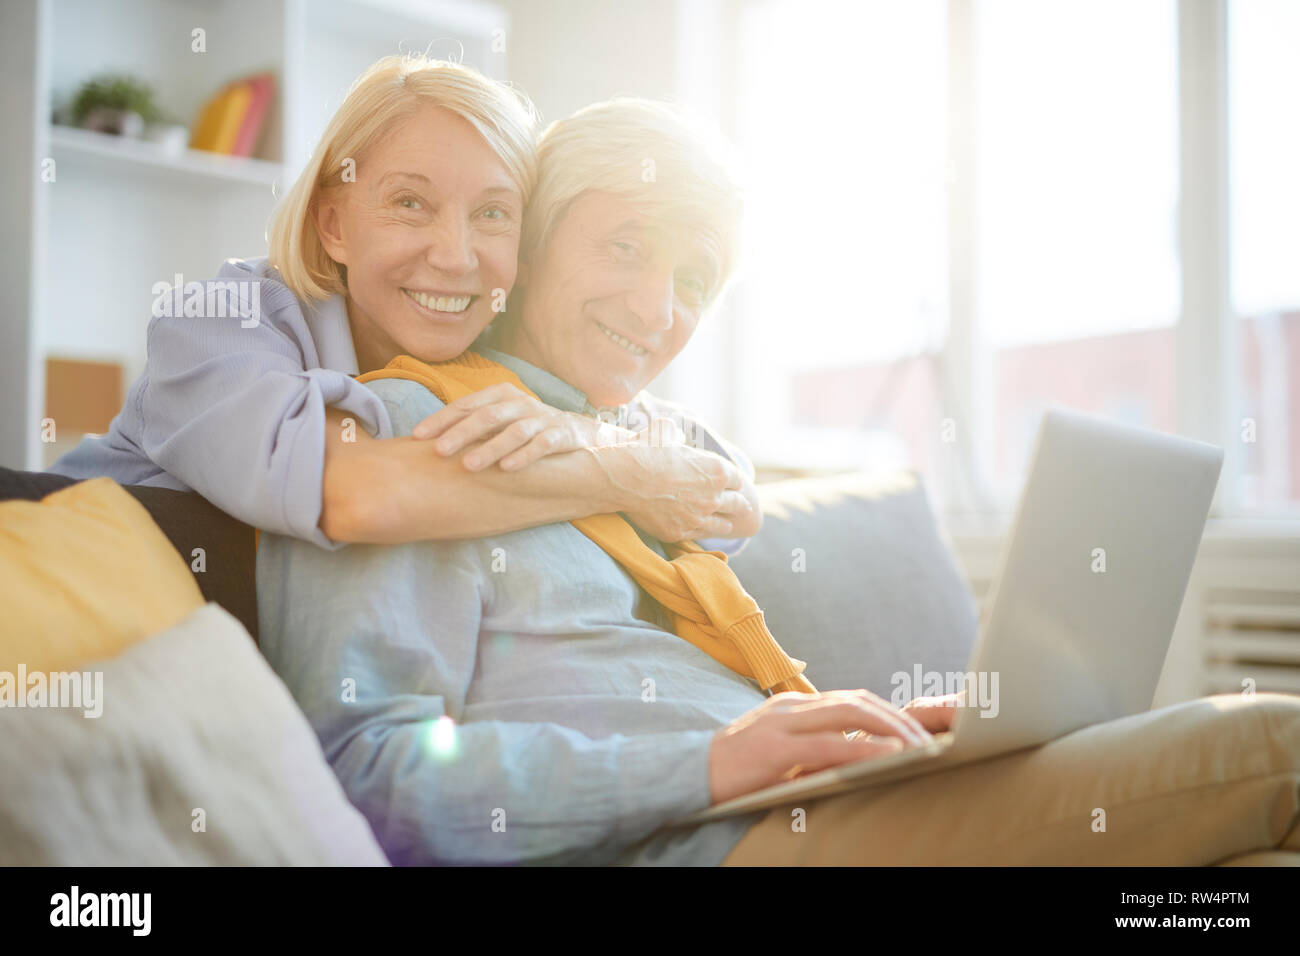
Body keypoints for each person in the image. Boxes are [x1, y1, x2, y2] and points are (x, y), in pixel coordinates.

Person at [258, 96, 1300, 867]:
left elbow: (717, 490)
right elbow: (369, 771)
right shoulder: (409, 437)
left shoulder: (657, 463)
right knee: (1270, 743)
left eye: (694, 279)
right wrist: (713, 763)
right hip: (702, 843)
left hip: (794, 808)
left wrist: (869, 733)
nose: (658, 305)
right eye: (626, 245)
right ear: (523, 247)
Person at [46, 55, 759, 555]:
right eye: (410, 203)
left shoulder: (488, 351)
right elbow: (356, 495)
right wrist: (630, 477)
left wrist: (598, 438)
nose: (455, 256)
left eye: (492, 214)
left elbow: (727, 500)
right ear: (333, 223)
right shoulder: (221, 320)